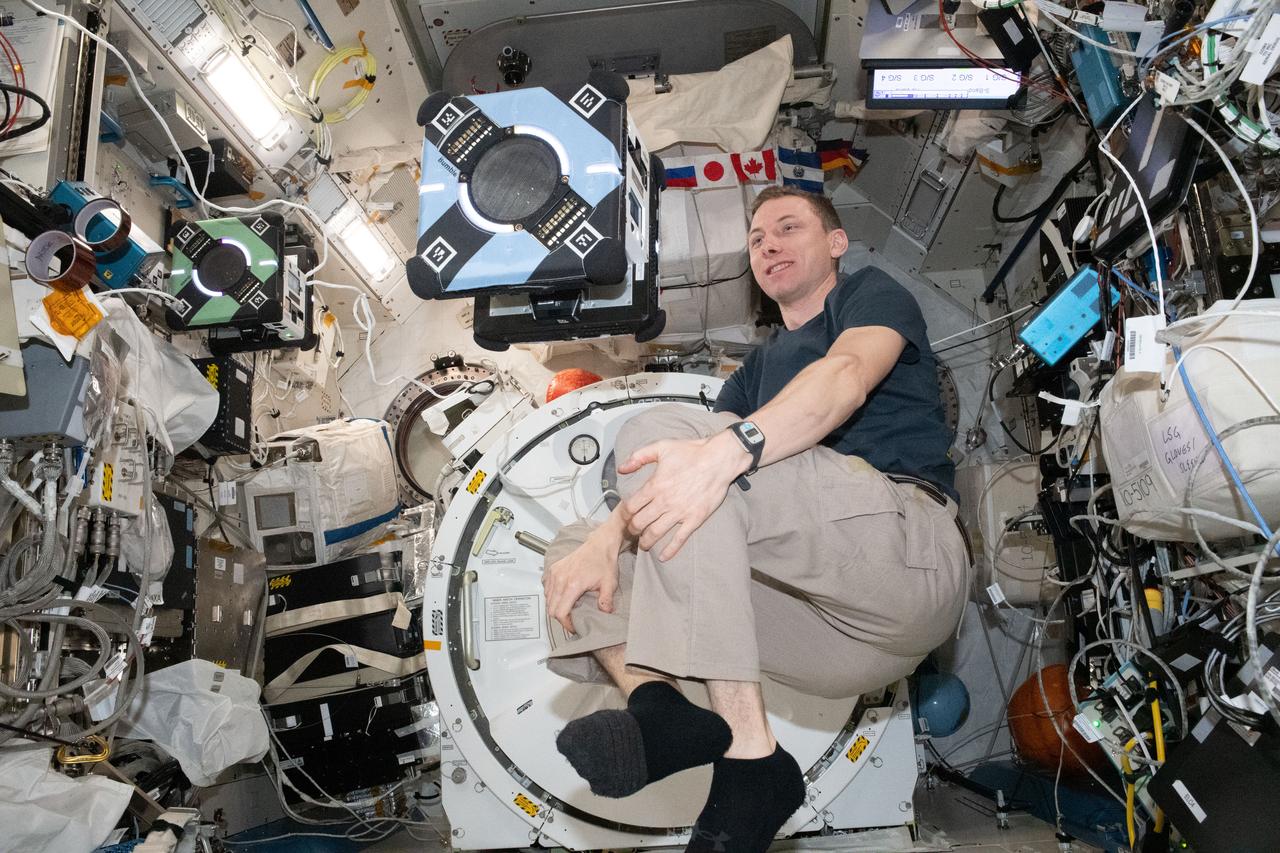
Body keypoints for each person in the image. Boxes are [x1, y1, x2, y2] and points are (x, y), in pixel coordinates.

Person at [541, 186, 970, 852]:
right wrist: (604, 536)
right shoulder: (753, 374)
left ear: (834, 243)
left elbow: (848, 375)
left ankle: (746, 763)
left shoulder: (869, 297)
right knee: (573, 549)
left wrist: (729, 451)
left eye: (787, 227)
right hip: (829, 640)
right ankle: (667, 712)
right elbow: (678, 483)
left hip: (905, 557)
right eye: (756, 238)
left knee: (667, 435)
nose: (767, 243)